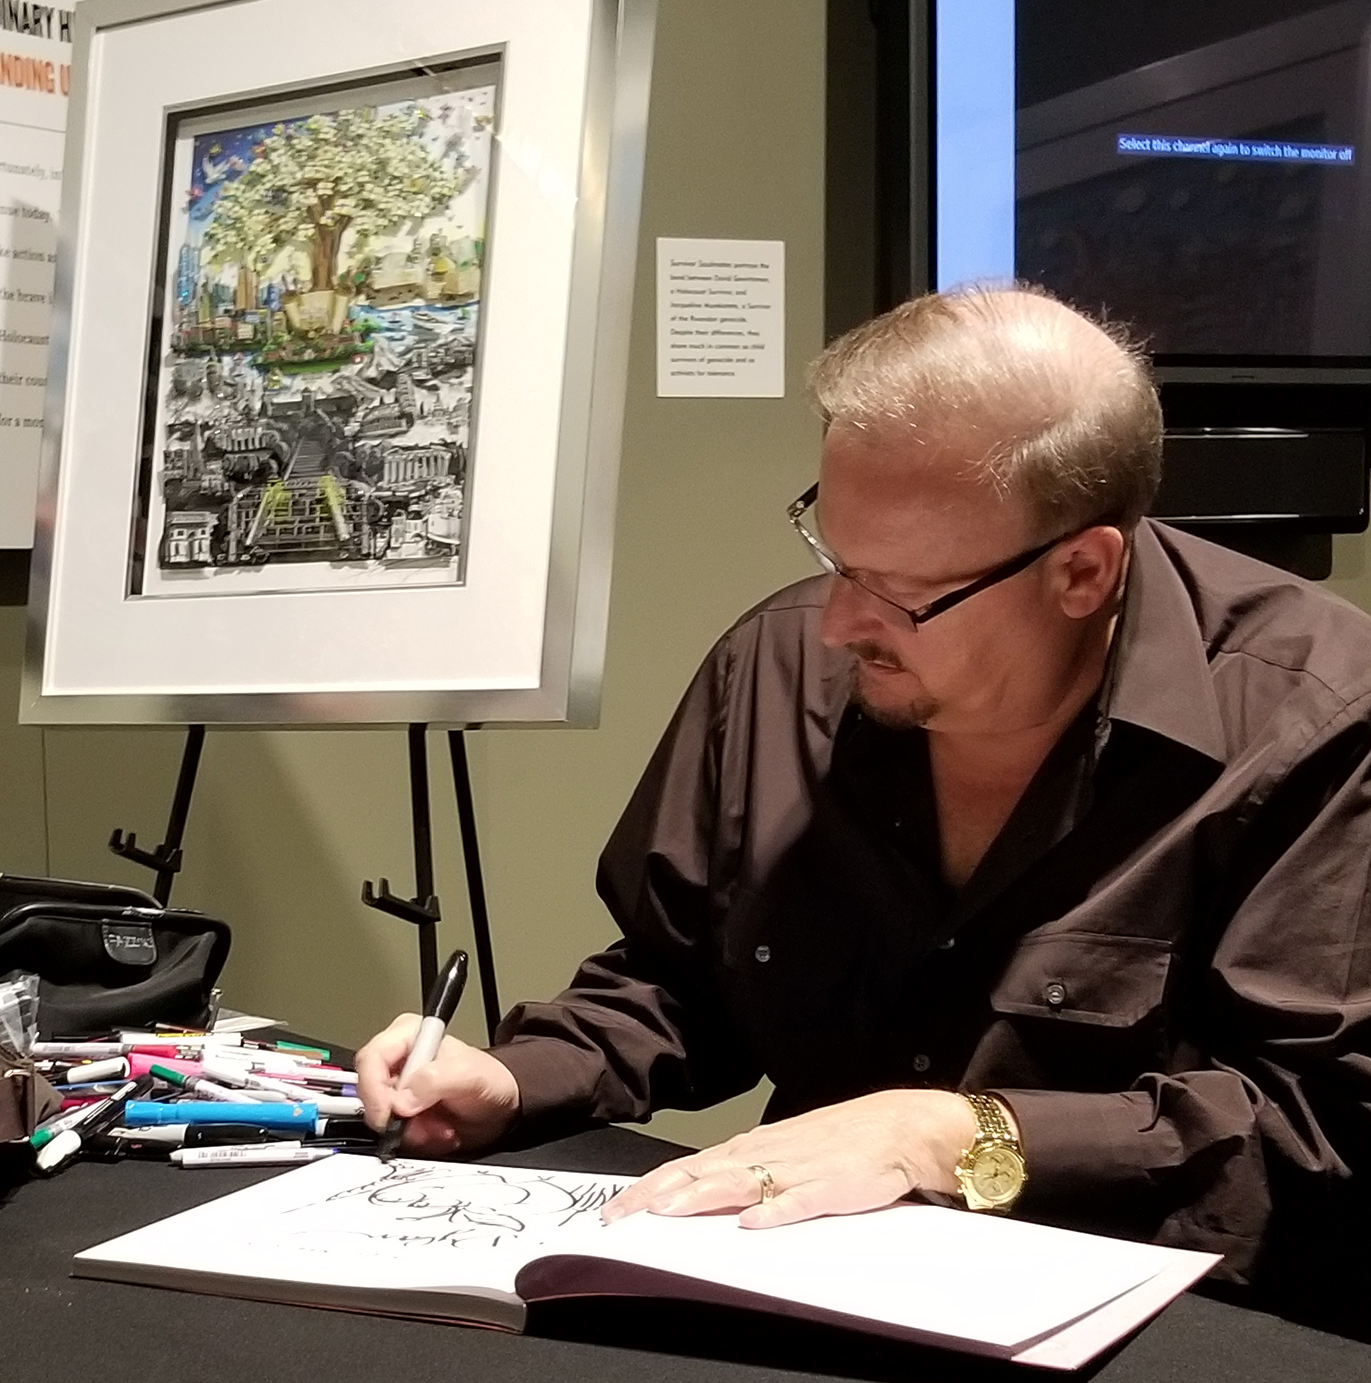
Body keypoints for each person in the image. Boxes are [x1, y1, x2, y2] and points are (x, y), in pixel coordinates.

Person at [358, 287, 1371, 1315]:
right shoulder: (779, 667)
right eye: (833, 554)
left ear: (1081, 572)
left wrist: (959, 1134)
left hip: (1169, 1322)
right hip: (820, 1289)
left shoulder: (1316, 721)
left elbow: (1320, 1131)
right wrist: (521, 1076)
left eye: (898, 589)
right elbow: (679, 980)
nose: (838, 624)